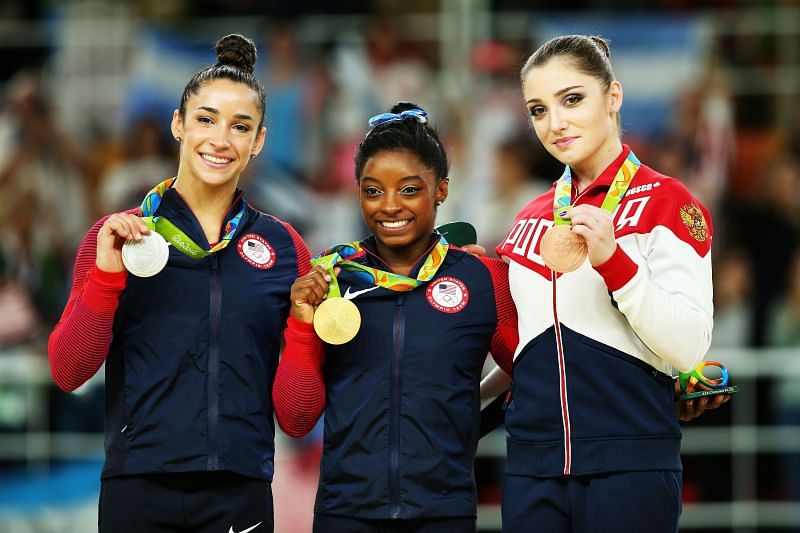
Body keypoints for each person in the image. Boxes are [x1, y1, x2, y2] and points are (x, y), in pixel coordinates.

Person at [47, 34, 310, 533]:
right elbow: (67, 371)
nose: (219, 139)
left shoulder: (283, 249)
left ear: (258, 142)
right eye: (206, 119)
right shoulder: (118, 236)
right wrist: (106, 277)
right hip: (138, 485)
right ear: (178, 125)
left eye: (240, 127)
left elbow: (297, 418)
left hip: (239, 489)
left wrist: (301, 329)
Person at [481, 34, 717, 532]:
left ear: (613, 98)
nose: (556, 123)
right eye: (538, 110)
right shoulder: (528, 217)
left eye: (572, 99)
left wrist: (615, 263)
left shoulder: (667, 203)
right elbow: (527, 349)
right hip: (531, 467)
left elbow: (689, 346)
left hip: (628, 466)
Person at [272, 102, 517, 533]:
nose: (389, 206)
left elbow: (534, 375)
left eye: (408, 189)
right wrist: (301, 325)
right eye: (372, 190)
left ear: (440, 190)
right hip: (345, 512)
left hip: (443, 513)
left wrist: (471, 416)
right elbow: (295, 419)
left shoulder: (482, 278)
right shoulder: (331, 277)